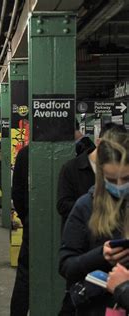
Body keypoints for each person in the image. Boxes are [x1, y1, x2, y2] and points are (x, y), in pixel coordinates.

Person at [57, 123, 127, 315]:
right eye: (112, 179)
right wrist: (100, 255)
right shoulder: (86, 206)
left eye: (126, 178)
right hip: (94, 306)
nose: (120, 186)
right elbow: (66, 265)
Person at [10, 145, 29, 316]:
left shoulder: (24, 154)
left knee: (25, 276)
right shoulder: (76, 154)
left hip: (31, 226)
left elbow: (16, 192)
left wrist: (26, 219)